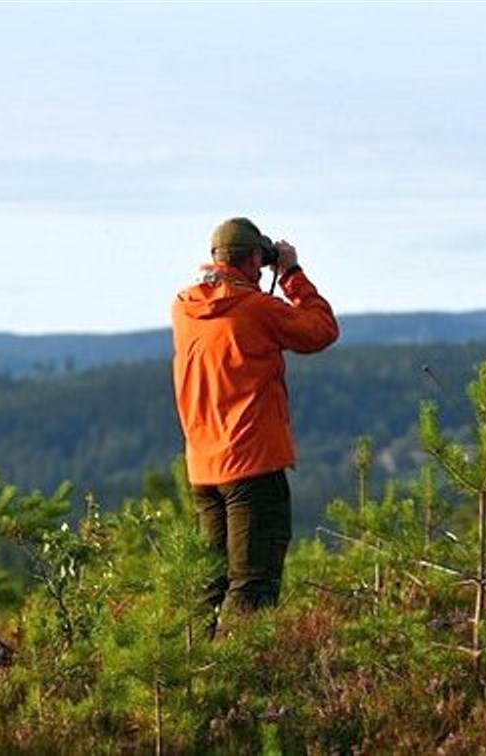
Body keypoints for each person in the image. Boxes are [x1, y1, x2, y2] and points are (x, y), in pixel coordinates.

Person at [171, 217, 339, 624]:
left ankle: (194, 676)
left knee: (211, 586)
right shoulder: (256, 308)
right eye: (259, 262)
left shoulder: (183, 307)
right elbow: (321, 331)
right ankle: (242, 678)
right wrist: (291, 274)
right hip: (252, 465)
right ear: (251, 260)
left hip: (204, 471)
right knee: (253, 586)